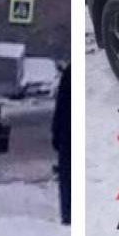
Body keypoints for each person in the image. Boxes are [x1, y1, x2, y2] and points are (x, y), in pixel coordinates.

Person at [53, 63, 71, 225]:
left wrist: (56, 135)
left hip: (67, 134)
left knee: (68, 178)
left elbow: (61, 106)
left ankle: (69, 216)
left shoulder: (70, 72)